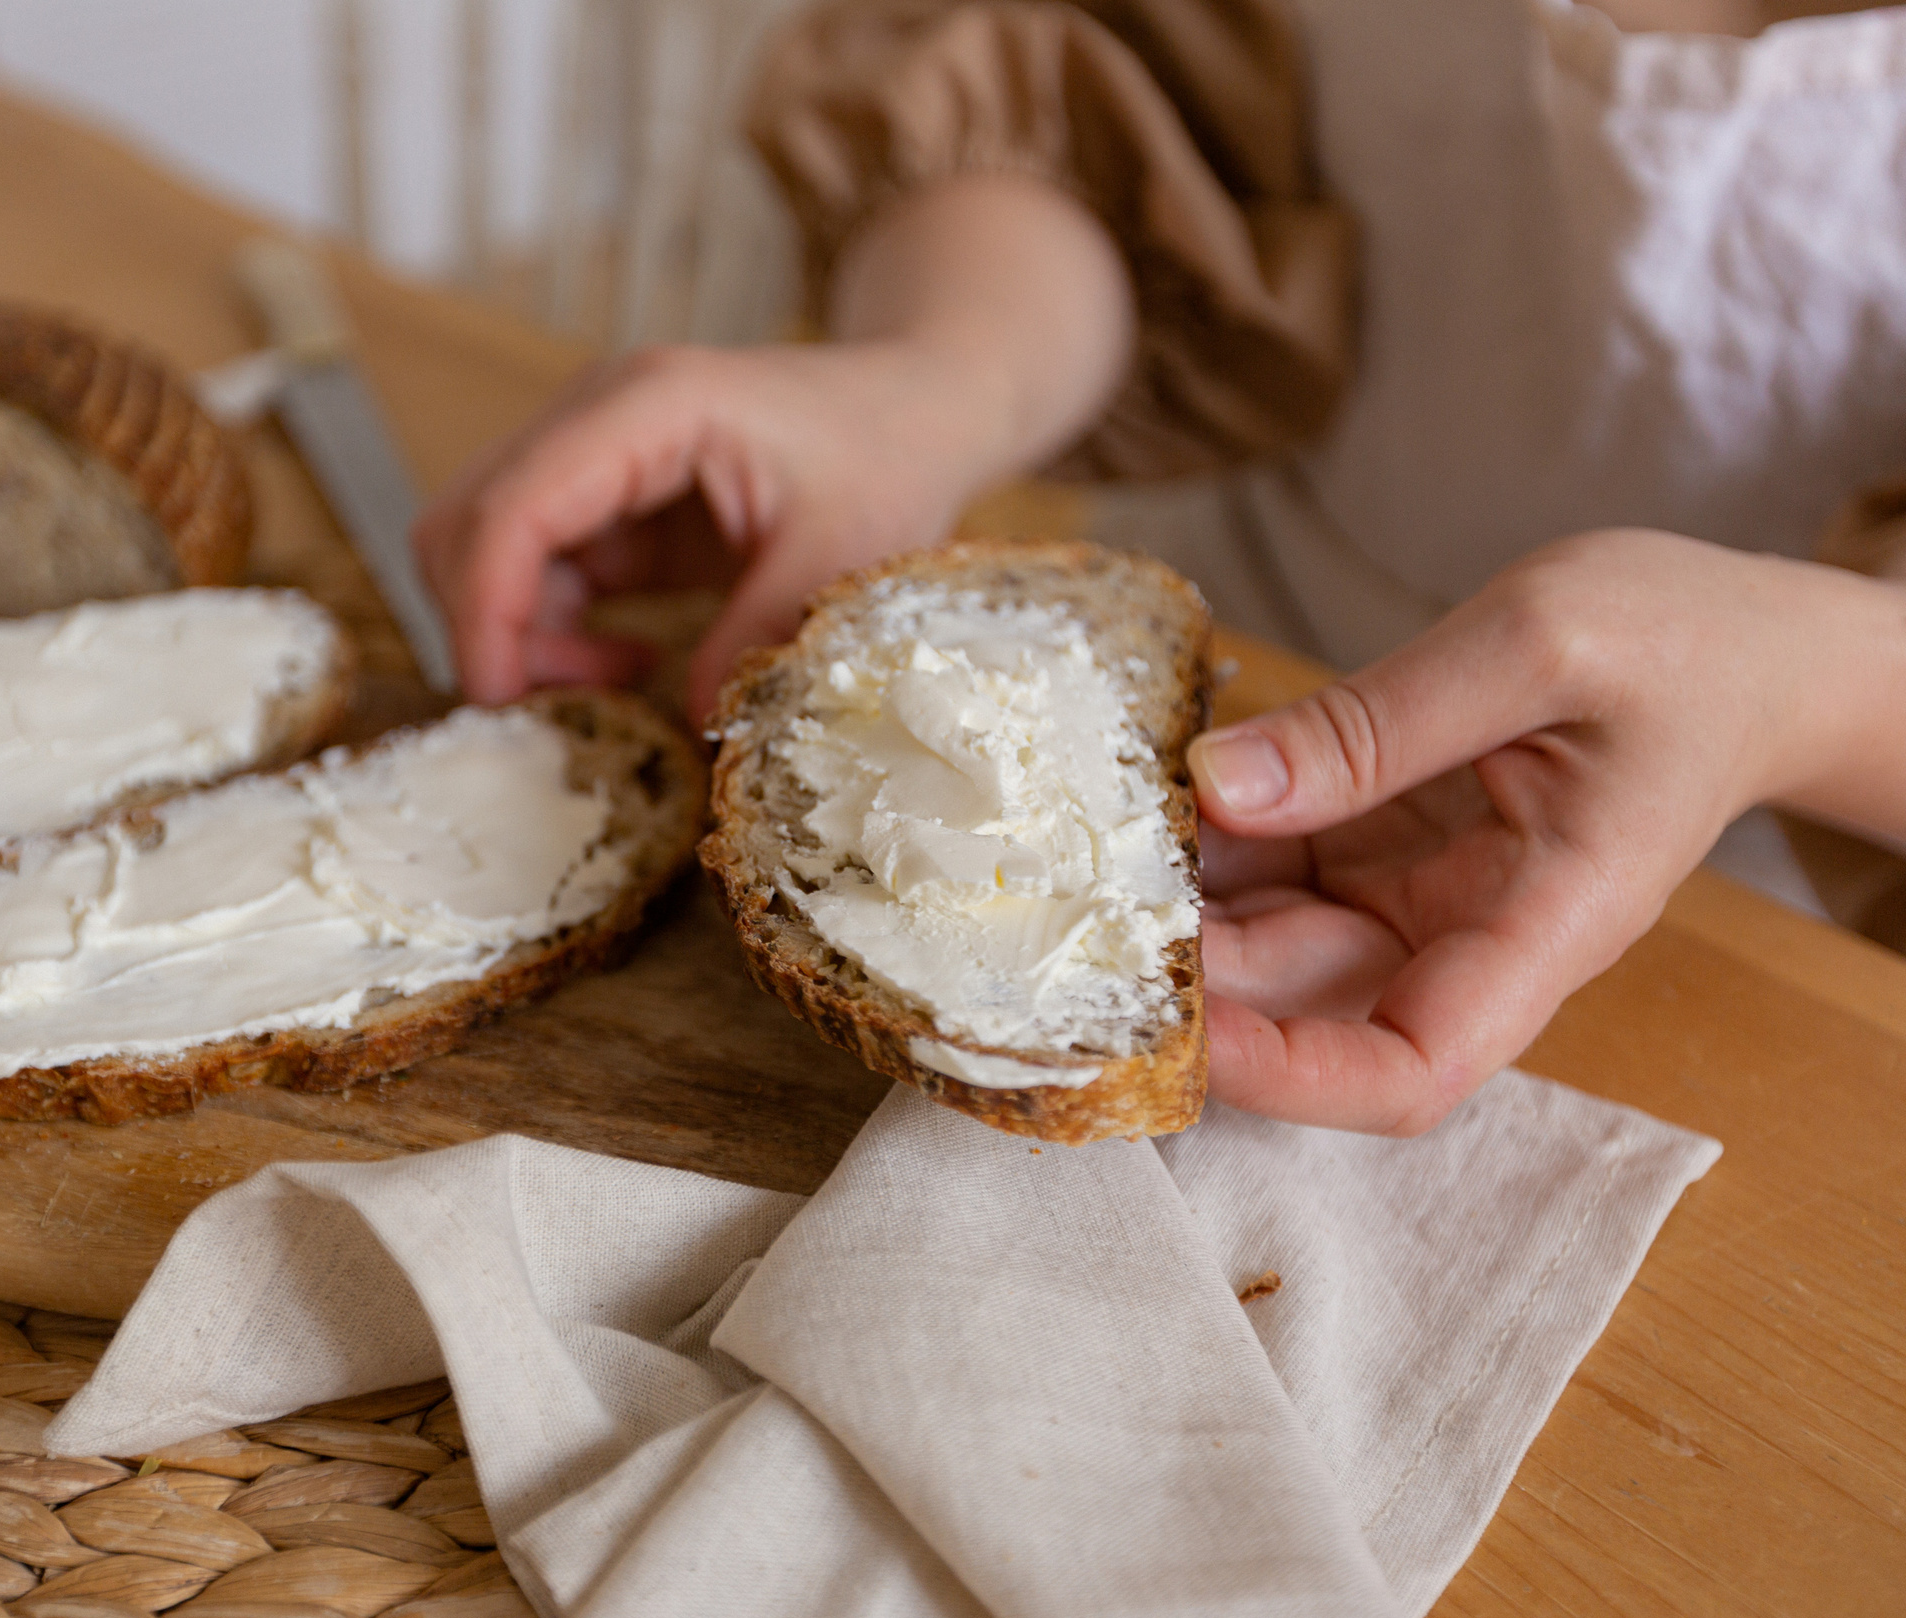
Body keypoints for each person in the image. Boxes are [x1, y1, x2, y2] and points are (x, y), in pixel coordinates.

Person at [410, 0, 1906, 1135]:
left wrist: (1804, 692)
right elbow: (1092, 87)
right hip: (1191, 704)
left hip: (1784, 929)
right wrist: (935, 382)